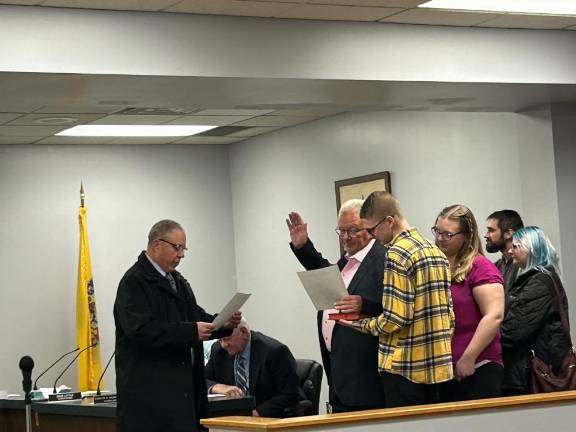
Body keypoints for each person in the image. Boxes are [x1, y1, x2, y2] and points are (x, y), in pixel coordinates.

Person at [114, 219, 241, 432]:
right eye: (177, 247)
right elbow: (142, 331)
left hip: (185, 398)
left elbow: (194, 316)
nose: (181, 254)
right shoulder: (134, 282)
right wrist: (191, 332)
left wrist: (222, 324)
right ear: (156, 245)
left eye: (184, 249)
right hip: (152, 403)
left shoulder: (177, 280)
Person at [341, 191, 454, 408]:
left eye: (372, 229)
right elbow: (449, 313)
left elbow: (395, 318)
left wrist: (361, 324)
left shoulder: (396, 254)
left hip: (404, 368)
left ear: (390, 221)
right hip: (436, 367)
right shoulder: (435, 251)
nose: (372, 236)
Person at [286, 199, 387, 412]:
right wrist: (303, 247)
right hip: (341, 376)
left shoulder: (383, 258)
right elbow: (329, 278)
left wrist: (365, 305)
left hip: (368, 381)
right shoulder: (348, 260)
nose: (345, 238)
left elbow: (393, 307)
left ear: (370, 227)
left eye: (352, 230)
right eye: (341, 231)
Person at [432, 205, 505, 401]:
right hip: (445, 371)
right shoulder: (438, 266)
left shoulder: (481, 267)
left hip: (478, 367)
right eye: (437, 231)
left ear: (466, 236)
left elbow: (494, 316)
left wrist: (468, 357)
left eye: (447, 234)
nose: (439, 238)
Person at [500, 226, 572, 396]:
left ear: (531, 249)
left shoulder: (538, 283)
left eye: (516, 246)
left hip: (532, 372)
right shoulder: (542, 278)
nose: (510, 251)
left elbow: (513, 331)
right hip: (531, 369)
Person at [206, 320, 302, 418]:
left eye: (227, 338)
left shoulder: (274, 351)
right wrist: (216, 387)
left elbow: (290, 393)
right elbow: (200, 380)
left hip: (268, 418)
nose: (223, 345)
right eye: (220, 340)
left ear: (244, 333)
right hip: (231, 419)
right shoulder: (218, 351)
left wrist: (256, 413)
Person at [485, 210, 524, 295]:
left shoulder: (525, 267)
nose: (486, 235)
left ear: (508, 234)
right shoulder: (495, 267)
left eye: (491, 230)